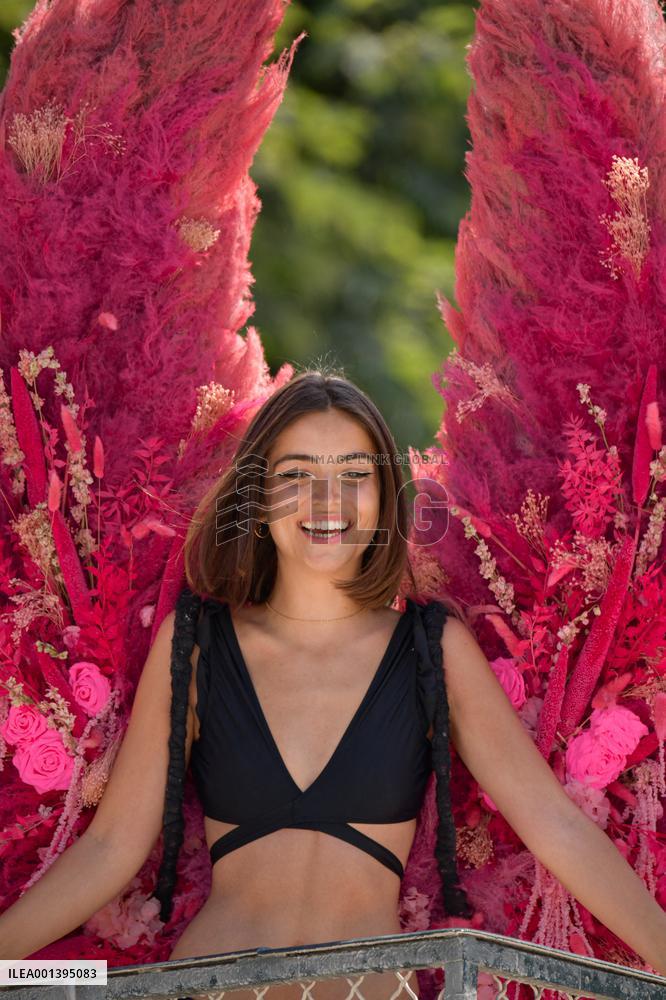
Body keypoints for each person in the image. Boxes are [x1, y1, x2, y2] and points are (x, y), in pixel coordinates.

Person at [0, 371, 665, 1000]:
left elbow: (556, 826)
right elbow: (111, 847)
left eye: (354, 476)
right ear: (257, 498)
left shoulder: (433, 649)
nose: (328, 501)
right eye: (297, 476)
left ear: (383, 499)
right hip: (210, 989)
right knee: (57, 984)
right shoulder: (195, 642)